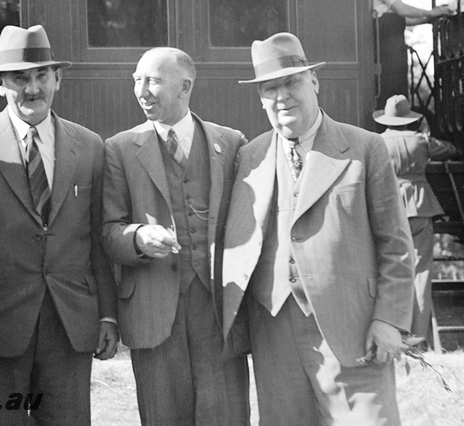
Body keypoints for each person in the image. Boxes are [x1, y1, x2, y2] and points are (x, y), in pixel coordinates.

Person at [221, 32, 415, 426]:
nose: (281, 97)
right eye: (269, 88)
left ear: (314, 82)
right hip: (274, 330)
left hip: (353, 328)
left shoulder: (364, 148)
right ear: (260, 97)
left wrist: (390, 319)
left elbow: (396, 245)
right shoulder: (250, 156)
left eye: (291, 82)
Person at [0, 24, 118, 425]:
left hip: (68, 325)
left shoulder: (89, 146)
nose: (32, 88)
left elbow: (98, 240)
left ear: (58, 78)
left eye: (41, 76)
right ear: (0, 84)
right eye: (20, 78)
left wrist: (107, 314)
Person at [101, 47, 250, 426]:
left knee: (228, 417)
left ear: (185, 87)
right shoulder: (120, 149)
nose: (141, 91)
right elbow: (106, 232)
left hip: (218, 313)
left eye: (151, 80)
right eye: (136, 80)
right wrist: (137, 238)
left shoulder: (231, 143)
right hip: (153, 314)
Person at [373, 94, 459, 344]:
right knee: (421, 273)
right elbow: (450, 149)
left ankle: (394, 331)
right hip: (421, 209)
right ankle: (418, 340)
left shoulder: (378, 142)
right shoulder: (421, 140)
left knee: (389, 269)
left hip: (390, 209)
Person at [370, 0, 452, 102]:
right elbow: (400, 9)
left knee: (397, 89)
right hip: (386, 43)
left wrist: (427, 19)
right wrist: (431, 12)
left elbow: (399, 18)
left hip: (391, 39)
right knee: (391, 88)